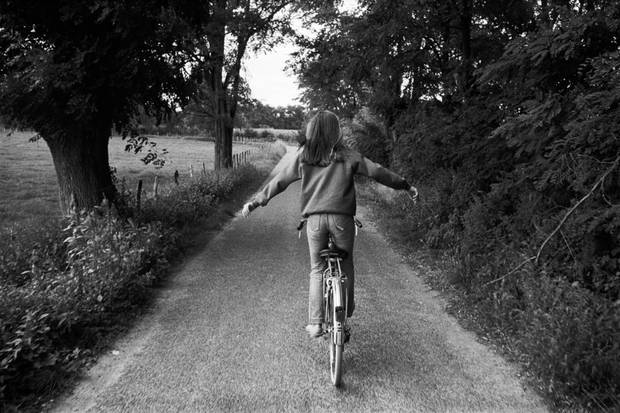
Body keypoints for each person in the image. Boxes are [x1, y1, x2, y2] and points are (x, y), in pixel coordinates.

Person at [241, 110, 418, 338]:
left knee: (317, 269)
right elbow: (377, 171)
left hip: (314, 221)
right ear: (337, 133)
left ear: (311, 131)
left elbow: (280, 181)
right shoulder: (348, 155)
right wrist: (406, 186)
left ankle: (315, 323)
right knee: (346, 265)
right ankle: (345, 313)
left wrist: (255, 202)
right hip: (342, 219)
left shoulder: (304, 156)